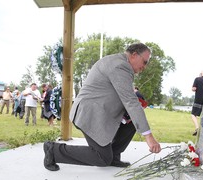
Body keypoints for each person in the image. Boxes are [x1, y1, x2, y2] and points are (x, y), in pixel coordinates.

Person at [43, 43, 161, 171]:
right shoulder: (120, 66)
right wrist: (149, 137)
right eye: (144, 62)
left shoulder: (119, 62)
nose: (145, 67)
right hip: (88, 114)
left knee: (132, 122)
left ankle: (114, 156)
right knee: (102, 157)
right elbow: (130, 102)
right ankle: (54, 151)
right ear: (134, 55)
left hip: (97, 112)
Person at [191, 71, 203, 136]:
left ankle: (197, 128)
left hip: (198, 100)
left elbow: (193, 89)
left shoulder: (197, 79)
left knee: (193, 114)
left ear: (201, 74)